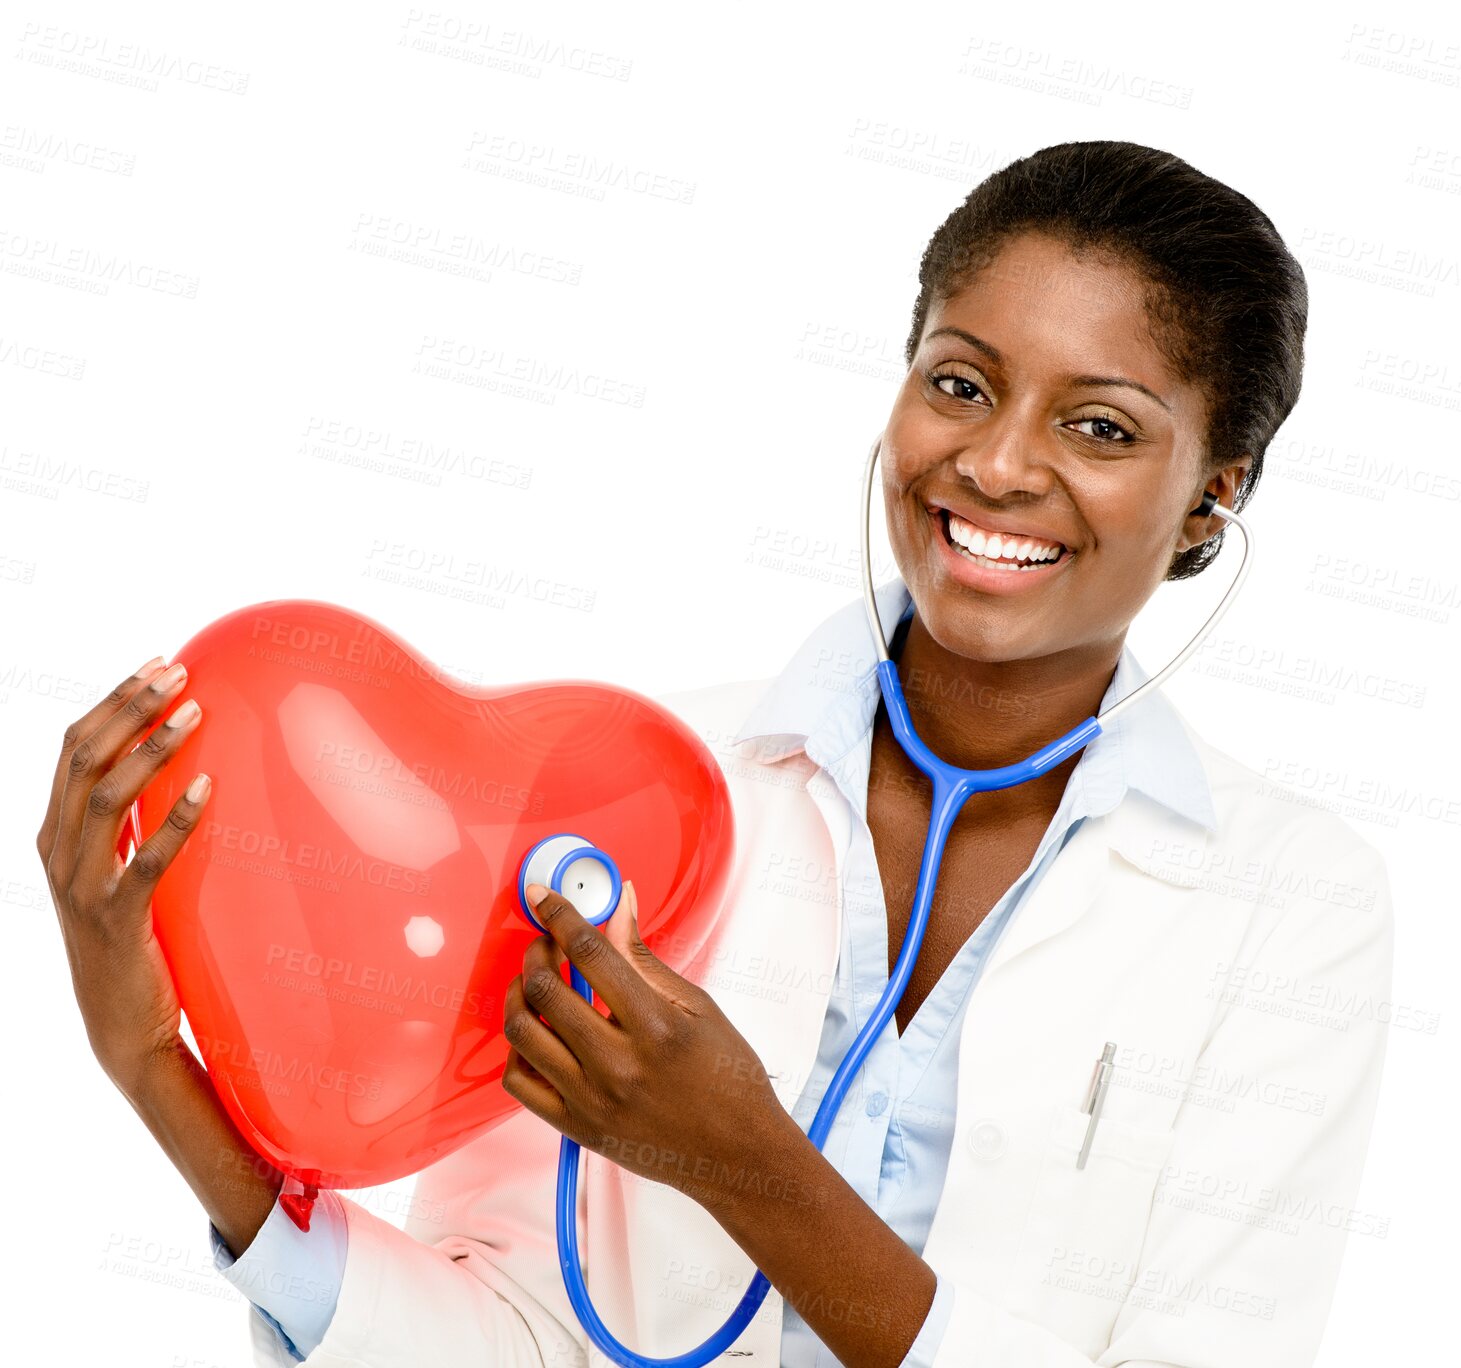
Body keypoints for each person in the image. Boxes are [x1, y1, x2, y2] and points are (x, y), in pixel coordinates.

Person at [39, 141, 1394, 1367]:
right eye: (959, 383)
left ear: (1214, 490)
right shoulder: (631, 787)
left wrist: (741, 1162)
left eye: (1098, 425)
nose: (992, 464)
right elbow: (503, 1337)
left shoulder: (1289, 905)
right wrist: (157, 1070)